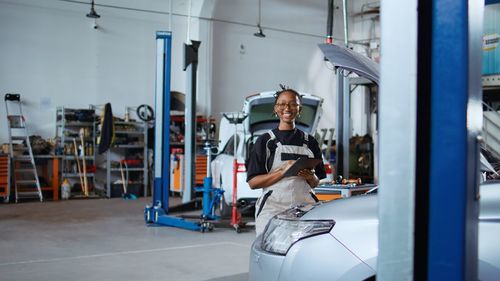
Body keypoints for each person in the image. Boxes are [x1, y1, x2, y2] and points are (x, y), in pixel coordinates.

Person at [246, 86, 326, 236]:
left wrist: (311, 177)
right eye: (282, 104)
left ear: (299, 109)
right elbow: (253, 183)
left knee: (306, 248)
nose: (287, 108)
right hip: (273, 206)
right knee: (268, 249)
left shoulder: (311, 142)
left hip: (305, 205)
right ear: (276, 109)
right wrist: (283, 171)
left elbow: (316, 182)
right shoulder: (265, 142)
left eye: (292, 104)